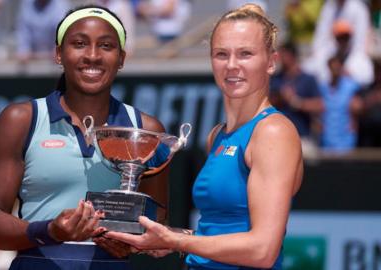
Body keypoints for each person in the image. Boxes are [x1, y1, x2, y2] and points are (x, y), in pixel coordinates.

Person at [106, 4, 303, 269]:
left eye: (245, 54)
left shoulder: (273, 131)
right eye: (221, 54)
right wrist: (174, 236)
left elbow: (262, 250)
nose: (232, 65)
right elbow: (221, 231)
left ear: (271, 62)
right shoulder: (218, 135)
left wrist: (178, 242)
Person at [0, 5, 168, 270]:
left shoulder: (145, 128)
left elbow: (156, 216)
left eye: (106, 46)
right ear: (59, 54)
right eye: (79, 44)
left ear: (122, 58)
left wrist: (132, 239)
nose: (92, 55)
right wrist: (50, 231)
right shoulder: (20, 120)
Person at [270, 42, 324, 157]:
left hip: (302, 136)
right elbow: (267, 103)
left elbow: (320, 105)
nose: (279, 58)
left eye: (283, 54)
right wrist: (280, 97)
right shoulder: (275, 79)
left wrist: (296, 102)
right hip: (277, 137)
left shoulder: (307, 79)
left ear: (292, 55)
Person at [319, 55, 362, 153]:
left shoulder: (351, 86)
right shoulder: (324, 87)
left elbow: (358, 107)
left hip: (346, 137)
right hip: (327, 137)